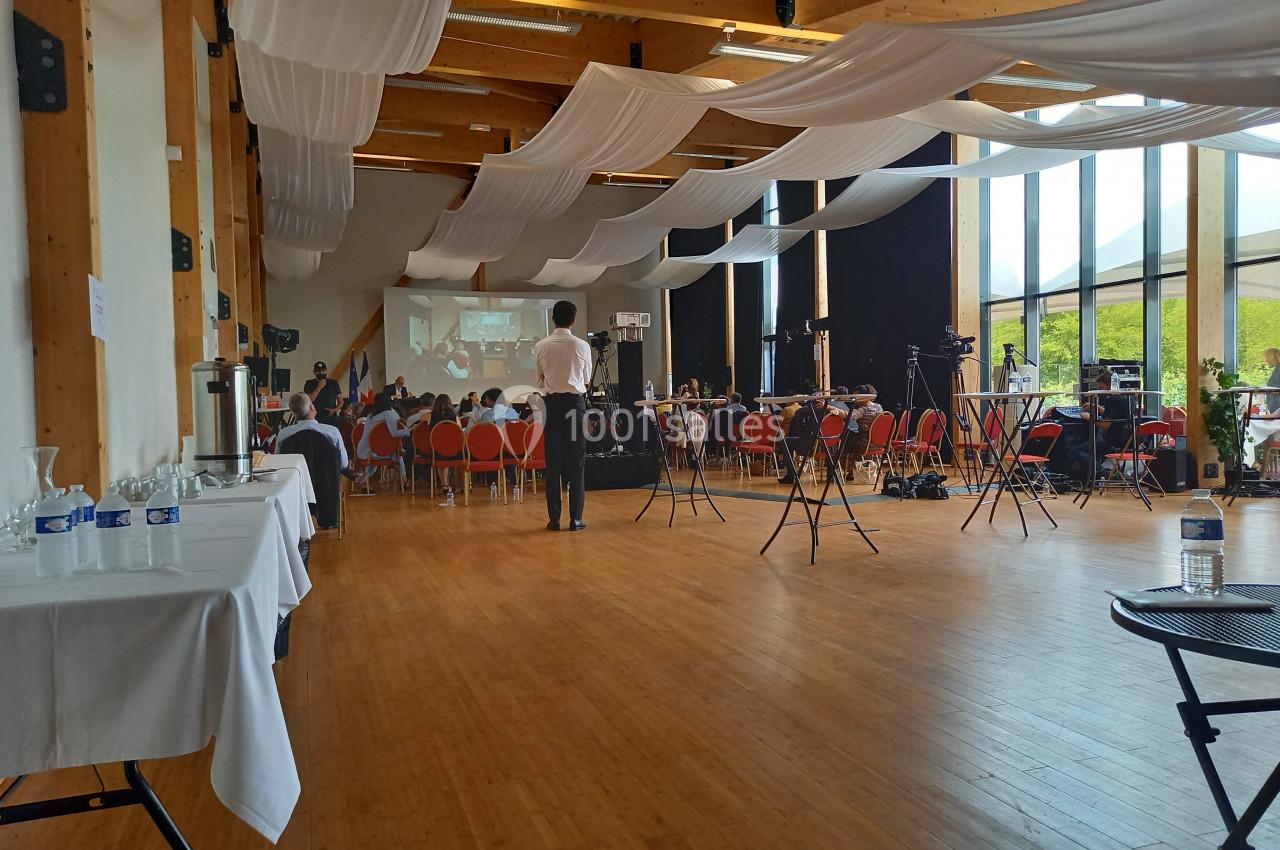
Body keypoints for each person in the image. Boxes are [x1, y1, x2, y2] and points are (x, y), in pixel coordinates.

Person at [534, 300, 591, 531]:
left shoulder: (541, 345)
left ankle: (554, 519)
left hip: (551, 405)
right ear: (573, 320)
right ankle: (576, 518)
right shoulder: (582, 346)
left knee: (553, 464)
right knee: (577, 464)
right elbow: (586, 379)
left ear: (553, 319)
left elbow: (538, 379)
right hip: (575, 405)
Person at [275, 392, 359, 480]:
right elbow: (343, 463)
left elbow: (279, 462)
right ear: (312, 407)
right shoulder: (332, 432)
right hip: (326, 485)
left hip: (296, 485)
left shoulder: (284, 434)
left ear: (292, 412)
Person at [357, 394, 411, 476]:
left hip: (364, 450)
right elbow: (395, 433)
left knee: (396, 455)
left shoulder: (370, 416)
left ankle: (364, 481)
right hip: (377, 451)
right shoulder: (389, 414)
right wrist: (409, 430)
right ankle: (405, 481)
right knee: (399, 455)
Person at [303, 360, 343, 426]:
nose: (321, 373)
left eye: (323, 370)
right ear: (314, 372)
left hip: (331, 418)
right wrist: (319, 387)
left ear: (326, 371)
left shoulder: (333, 383)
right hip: (315, 418)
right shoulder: (309, 383)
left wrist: (334, 410)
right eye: (318, 371)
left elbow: (341, 402)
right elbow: (309, 400)